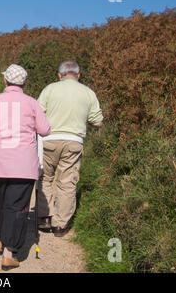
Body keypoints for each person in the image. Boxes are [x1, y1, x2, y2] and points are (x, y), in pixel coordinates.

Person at [0, 64, 50, 270]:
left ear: (5, 81)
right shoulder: (31, 103)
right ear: (23, 83)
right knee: (17, 205)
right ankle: (9, 252)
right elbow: (45, 129)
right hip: (23, 164)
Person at [37, 60, 103, 237]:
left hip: (49, 139)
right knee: (67, 182)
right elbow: (98, 121)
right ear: (78, 75)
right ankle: (60, 225)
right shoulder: (88, 92)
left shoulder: (49, 89)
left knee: (45, 177)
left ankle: (45, 217)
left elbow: (37, 113)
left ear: (60, 75)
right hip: (73, 141)